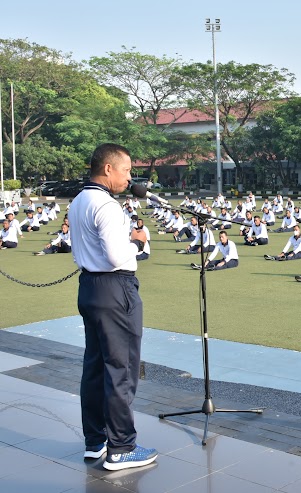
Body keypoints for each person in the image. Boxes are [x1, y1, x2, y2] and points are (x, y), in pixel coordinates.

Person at [68, 144, 157, 470]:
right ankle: (122, 447)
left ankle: (96, 441)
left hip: (90, 287)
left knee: (94, 367)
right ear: (107, 169)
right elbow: (117, 256)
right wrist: (138, 240)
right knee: (121, 368)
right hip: (115, 288)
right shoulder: (105, 205)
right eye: (126, 170)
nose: (129, 177)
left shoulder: (79, 200)